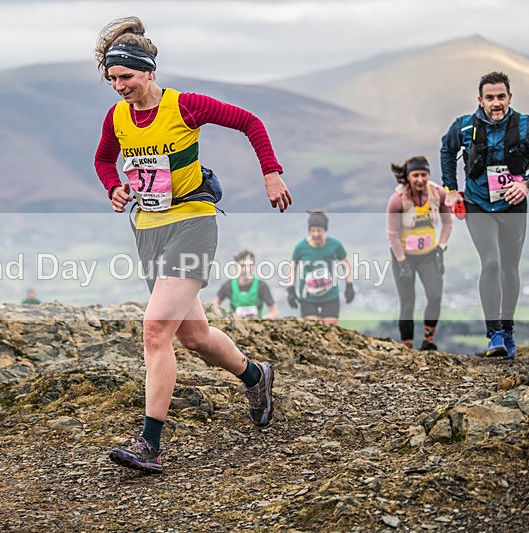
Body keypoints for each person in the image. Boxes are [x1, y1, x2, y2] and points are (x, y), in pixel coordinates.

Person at [93, 16, 291, 473]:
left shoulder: (184, 106)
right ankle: (256, 376)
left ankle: (149, 444)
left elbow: (249, 121)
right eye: (113, 79)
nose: (120, 86)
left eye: (127, 77)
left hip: (194, 221)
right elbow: (105, 158)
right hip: (148, 227)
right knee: (193, 336)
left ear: (149, 72)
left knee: (155, 331)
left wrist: (271, 171)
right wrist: (113, 186)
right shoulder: (118, 116)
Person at [441, 71, 529, 359]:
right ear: (480, 100)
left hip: (512, 206)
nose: (496, 103)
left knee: (509, 269)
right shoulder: (465, 126)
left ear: (509, 98)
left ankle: (507, 329)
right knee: (490, 263)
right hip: (478, 204)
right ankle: (493, 334)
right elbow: (447, 149)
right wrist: (451, 190)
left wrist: (527, 184)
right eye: (490, 97)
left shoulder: (526, 126)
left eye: (500, 97)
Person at [386, 156, 453, 350]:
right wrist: (402, 262)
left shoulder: (438, 193)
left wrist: (441, 247)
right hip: (404, 255)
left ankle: (428, 341)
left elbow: (448, 223)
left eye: (424, 174)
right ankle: (407, 346)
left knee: (435, 296)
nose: (420, 179)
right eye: (416, 175)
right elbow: (392, 234)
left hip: (429, 254)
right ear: (408, 177)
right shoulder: (397, 200)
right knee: (408, 303)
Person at [286, 211, 354, 326]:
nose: (316, 234)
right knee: (312, 329)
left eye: (319, 231)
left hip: (330, 295)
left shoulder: (335, 245)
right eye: (313, 230)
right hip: (308, 297)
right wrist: (291, 289)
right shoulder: (301, 247)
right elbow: (292, 267)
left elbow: (346, 264)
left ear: (325, 231)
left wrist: (349, 285)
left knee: (330, 329)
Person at [214, 250, 279, 319]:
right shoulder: (228, 286)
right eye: (242, 266)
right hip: (235, 326)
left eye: (249, 265)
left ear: (254, 266)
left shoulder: (261, 286)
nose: (246, 269)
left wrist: (262, 320)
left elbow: (274, 312)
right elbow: (215, 305)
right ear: (236, 267)